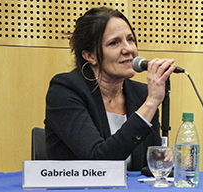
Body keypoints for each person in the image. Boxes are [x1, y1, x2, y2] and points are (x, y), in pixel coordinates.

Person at [44, 7, 178, 171]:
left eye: (130, 39)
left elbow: (149, 164)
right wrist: (151, 103)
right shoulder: (65, 90)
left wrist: (162, 160)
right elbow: (99, 161)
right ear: (90, 56)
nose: (128, 49)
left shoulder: (141, 94)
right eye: (114, 43)